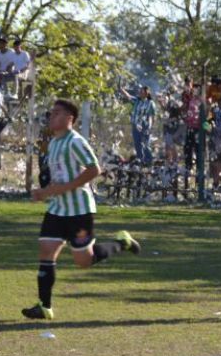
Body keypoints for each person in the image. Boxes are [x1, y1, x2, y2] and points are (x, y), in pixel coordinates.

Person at [22, 99, 142, 320]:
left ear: (69, 118)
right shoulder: (54, 143)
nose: (52, 116)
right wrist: (45, 192)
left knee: (83, 262)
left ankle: (121, 243)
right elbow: (60, 177)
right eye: (51, 113)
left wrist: (64, 188)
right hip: (57, 209)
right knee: (46, 250)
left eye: (57, 113)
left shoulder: (75, 141)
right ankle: (45, 306)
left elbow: (94, 169)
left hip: (79, 210)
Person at [120, 85, 156, 165]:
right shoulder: (137, 100)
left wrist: (150, 127)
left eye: (141, 92)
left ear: (146, 93)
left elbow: (152, 116)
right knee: (137, 143)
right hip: (135, 125)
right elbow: (128, 96)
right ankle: (140, 160)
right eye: (140, 91)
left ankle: (149, 161)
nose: (140, 93)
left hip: (145, 126)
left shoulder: (150, 103)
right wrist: (122, 90)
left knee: (145, 144)